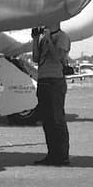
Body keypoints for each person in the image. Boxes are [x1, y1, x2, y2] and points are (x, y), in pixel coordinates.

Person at [32, 23, 71, 165]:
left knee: (57, 119)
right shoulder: (43, 38)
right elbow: (36, 58)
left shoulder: (62, 37)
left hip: (55, 80)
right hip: (43, 80)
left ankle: (62, 156)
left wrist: (48, 38)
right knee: (47, 120)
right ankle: (52, 154)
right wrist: (36, 39)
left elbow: (58, 57)